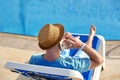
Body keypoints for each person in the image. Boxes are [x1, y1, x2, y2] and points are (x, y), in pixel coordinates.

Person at [29, 24, 103, 73]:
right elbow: (99, 61)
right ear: (59, 42)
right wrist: (81, 45)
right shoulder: (73, 65)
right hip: (68, 69)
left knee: (63, 53)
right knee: (82, 52)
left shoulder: (33, 60)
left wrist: (61, 44)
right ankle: (91, 37)